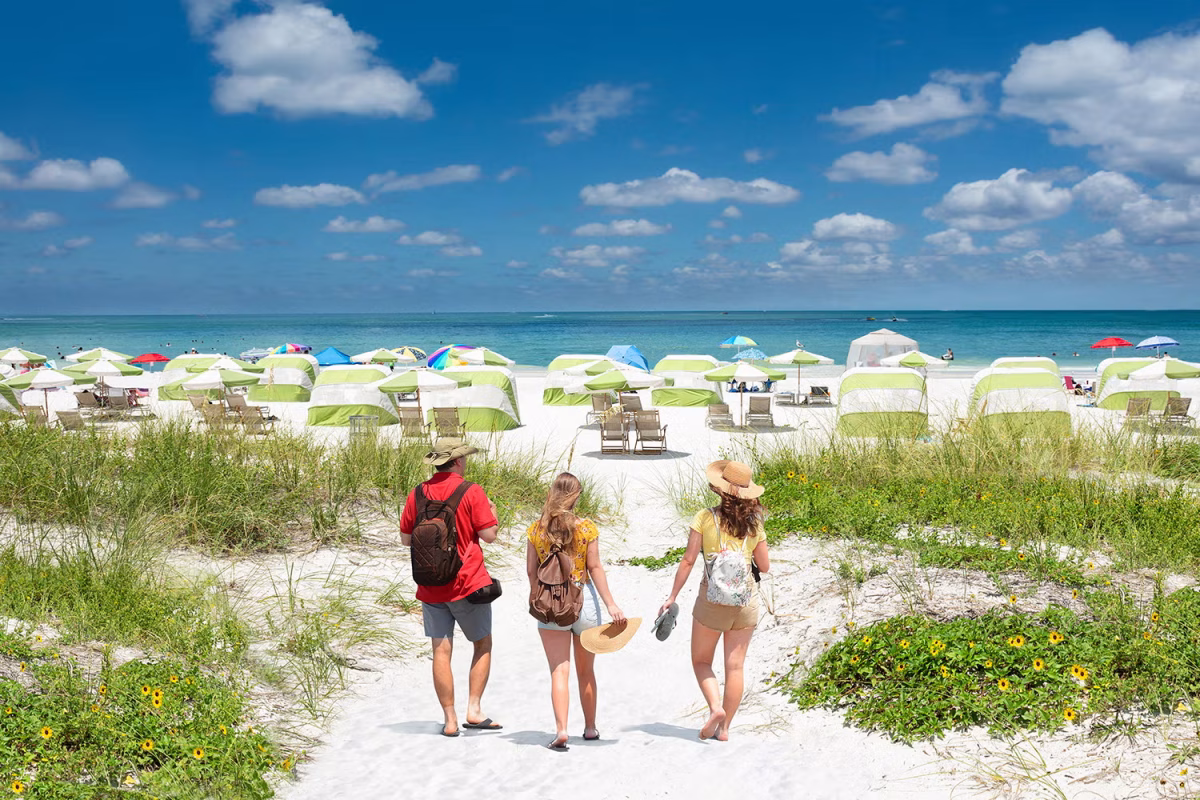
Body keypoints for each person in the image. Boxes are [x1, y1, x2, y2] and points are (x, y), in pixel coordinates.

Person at [657, 460, 769, 741]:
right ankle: (725, 729)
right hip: (745, 602)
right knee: (735, 667)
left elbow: (687, 561)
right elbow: (764, 566)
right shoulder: (755, 524)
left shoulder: (705, 518)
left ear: (720, 490)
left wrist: (672, 597)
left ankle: (715, 708)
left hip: (712, 600)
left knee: (701, 661)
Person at [400, 438, 501, 737]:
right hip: (468, 583)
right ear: (457, 461)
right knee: (482, 644)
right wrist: (493, 513)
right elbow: (489, 534)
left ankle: (450, 720)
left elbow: (406, 539)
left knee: (440, 652)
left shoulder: (417, 493)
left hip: (430, 586)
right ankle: (474, 709)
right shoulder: (471, 491)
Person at [527, 472, 625, 750]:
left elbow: (531, 572)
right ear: (575, 496)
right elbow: (594, 568)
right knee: (586, 671)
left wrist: (538, 598)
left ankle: (561, 730)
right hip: (584, 602)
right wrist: (611, 604)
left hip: (550, 604)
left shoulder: (536, 529)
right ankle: (591, 728)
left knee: (559, 671)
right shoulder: (586, 528)